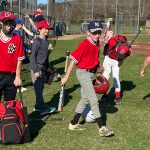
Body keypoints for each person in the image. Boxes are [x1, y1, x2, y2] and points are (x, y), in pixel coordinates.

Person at [61, 21, 114, 137]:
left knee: (85, 99)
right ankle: (102, 128)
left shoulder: (96, 44)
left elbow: (93, 59)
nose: (97, 35)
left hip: (90, 74)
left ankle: (73, 123)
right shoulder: (85, 44)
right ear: (88, 32)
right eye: (94, 32)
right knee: (93, 100)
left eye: (99, 32)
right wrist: (66, 77)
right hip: (83, 74)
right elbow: (73, 60)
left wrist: (98, 68)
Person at [30, 20, 56, 116]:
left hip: (43, 68)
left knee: (40, 88)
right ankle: (42, 108)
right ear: (39, 29)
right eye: (45, 29)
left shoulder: (46, 41)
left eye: (48, 29)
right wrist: (36, 71)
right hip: (37, 68)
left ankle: (38, 105)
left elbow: (45, 57)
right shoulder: (37, 42)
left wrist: (49, 67)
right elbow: (32, 57)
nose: (47, 30)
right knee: (38, 89)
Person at [0, 11, 25, 101]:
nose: (9, 26)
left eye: (11, 23)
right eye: (6, 22)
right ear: (1, 22)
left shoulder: (17, 38)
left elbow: (20, 59)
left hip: (12, 76)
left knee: (9, 105)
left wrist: (18, 77)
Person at [101, 35, 132, 105]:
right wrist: (122, 60)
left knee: (105, 77)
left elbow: (106, 46)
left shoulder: (112, 39)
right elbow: (128, 54)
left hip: (109, 59)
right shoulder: (125, 46)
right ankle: (117, 97)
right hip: (114, 61)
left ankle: (105, 95)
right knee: (115, 77)